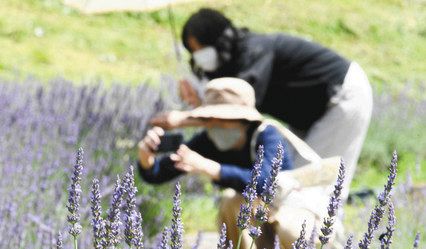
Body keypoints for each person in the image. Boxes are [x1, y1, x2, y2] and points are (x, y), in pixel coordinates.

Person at [152, 8, 372, 201]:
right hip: (310, 112)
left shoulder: (255, 50)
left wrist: (183, 119)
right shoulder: (237, 60)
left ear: (219, 41)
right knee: (294, 182)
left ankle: (329, 248)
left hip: (340, 97)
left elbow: (237, 113)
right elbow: (231, 110)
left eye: (201, 50)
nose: (200, 59)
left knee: (318, 188)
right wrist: (200, 103)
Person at [138, 77, 337, 249]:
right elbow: (159, 173)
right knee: (231, 202)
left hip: (291, 214)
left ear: (242, 119)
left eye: (221, 119)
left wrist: (213, 168)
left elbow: (266, 182)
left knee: (291, 229)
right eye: (209, 119)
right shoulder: (210, 141)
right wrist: (147, 159)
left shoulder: (267, 135)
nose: (213, 125)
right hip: (257, 225)